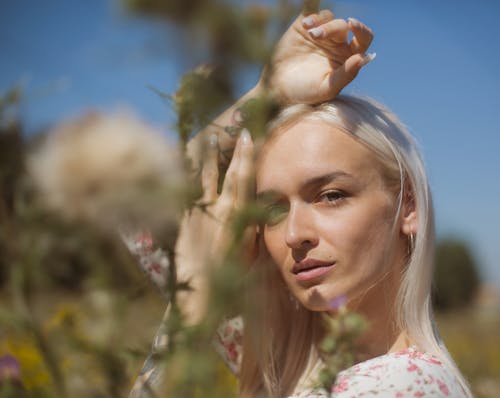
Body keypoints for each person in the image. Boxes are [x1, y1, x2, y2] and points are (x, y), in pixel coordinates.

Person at [125, 4, 472, 398]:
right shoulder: (293, 361)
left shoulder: (400, 386)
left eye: (330, 196)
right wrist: (270, 92)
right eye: (273, 208)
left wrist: (195, 304)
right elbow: (138, 211)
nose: (294, 234)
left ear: (408, 205)